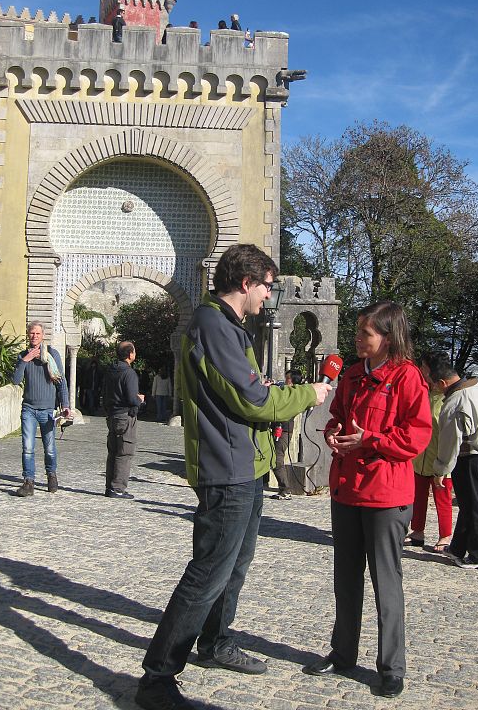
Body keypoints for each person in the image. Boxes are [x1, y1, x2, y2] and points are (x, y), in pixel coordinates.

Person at [135, 244, 333, 710]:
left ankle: (215, 641)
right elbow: (253, 402)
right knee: (207, 572)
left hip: (246, 466)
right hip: (226, 469)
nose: (269, 295)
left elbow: (246, 390)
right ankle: (157, 677)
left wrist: (264, 390)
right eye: (267, 285)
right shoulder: (213, 323)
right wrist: (307, 393)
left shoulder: (229, 327)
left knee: (234, 566)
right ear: (246, 282)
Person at [303, 301, 432, 699]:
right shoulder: (354, 375)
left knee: (385, 582)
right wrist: (332, 432)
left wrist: (370, 440)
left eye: (366, 334)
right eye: (358, 332)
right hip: (347, 491)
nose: (358, 339)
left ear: (388, 338)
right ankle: (343, 654)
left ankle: (392, 668)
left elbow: (416, 437)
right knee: (346, 579)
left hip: (386, 496)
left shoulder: (408, 378)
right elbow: (338, 415)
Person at [421, 351, 478, 570]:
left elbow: (449, 444)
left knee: (474, 509)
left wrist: (440, 472)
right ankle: (457, 548)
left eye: (432, 382)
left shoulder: (454, 402)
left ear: (442, 382)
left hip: (471, 459)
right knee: (470, 505)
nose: (431, 386)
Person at [12, 322, 71, 497]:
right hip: (29, 408)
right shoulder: (23, 356)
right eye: (31, 333)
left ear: (42, 335)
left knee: (50, 447)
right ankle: (28, 482)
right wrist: (25, 360)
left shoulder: (52, 355)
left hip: (47, 409)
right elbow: (15, 380)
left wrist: (65, 405)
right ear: (28, 335)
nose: (34, 336)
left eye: (37, 333)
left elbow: (61, 382)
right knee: (28, 447)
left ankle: (51, 475)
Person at [404, 381, 452, 552]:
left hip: (440, 459)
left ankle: (445, 536)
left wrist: (445, 462)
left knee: (443, 499)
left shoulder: (448, 398)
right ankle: (417, 532)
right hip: (420, 457)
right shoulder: (423, 393)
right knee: (417, 496)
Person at [102, 341, 145, 499]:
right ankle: (118, 488)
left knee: (112, 452)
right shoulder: (129, 373)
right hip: (125, 417)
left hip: (112, 415)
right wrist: (140, 399)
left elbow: (105, 393)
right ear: (130, 354)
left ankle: (109, 486)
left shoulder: (111, 371)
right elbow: (132, 398)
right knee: (124, 452)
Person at [270, 369, 303, 499]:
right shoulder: (284, 390)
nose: (285, 380)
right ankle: (283, 488)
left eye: (287, 378)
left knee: (277, 459)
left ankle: (285, 489)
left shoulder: (294, 394)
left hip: (283, 430)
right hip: (279, 428)